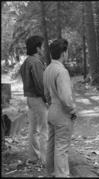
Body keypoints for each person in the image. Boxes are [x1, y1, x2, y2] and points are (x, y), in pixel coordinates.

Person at [43, 38, 77, 177]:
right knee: (62, 147)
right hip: (62, 112)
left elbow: (46, 94)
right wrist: (72, 110)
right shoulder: (62, 71)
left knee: (52, 144)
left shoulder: (48, 69)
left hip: (51, 110)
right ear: (64, 53)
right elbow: (66, 98)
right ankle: (62, 175)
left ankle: (50, 172)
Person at [20, 35, 48, 165]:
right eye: (42, 47)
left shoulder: (26, 61)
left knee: (33, 128)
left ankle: (33, 157)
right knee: (43, 129)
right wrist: (47, 98)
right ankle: (44, 159)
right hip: (37, 98)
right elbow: (40, 84)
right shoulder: (36, 62)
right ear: (37, 48)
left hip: (29, 98)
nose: (43, 49)